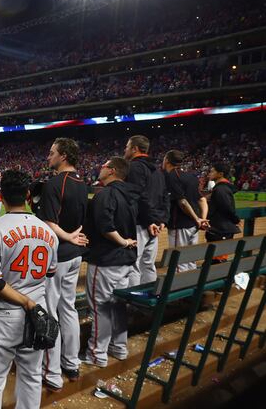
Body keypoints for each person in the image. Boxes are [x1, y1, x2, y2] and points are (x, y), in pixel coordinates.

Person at [0, 170, 58, 409]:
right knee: (32, 376)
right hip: (37, 316)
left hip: (3, 315)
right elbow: (49, 273)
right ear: (28, 195)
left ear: (0, 197)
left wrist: (24, 302)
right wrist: (30, 301)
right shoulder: (48, 232)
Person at [37, 138, 89, 391]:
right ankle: (72, 364)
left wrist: (66, 236)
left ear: (64, 156)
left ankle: (52, 372)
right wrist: (73, 237)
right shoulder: (83, 183)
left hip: (57, 255)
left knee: (50, 312)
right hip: (75, 254)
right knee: (68, 309)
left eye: (52, 153)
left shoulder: (55, 183)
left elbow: (48, 222)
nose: (48, 157)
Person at [81, 157, 139, 368]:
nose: (100, 168)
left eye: (104, 166)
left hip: (107, 259)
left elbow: (106, 227)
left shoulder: (105, 193)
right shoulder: (131, 194)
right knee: (117, 307)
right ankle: (119, 348)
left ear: (112, 171)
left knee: (100, 309)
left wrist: (122, 242)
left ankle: (97, 354)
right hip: (125, 261)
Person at [123, 135, 169, 286]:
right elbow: (164, 197)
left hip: (140, 223)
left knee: (133, 265)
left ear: (135, 149)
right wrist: (161, 220)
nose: (125, 149)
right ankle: (148, 300)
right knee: (148, 264)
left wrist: (150, 221)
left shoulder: (134, 167)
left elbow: (139, 196)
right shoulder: (157, 170)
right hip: (153, 224)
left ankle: (134, 303)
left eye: (128, 146)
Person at [162, 150, 209, 272]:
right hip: (194, 226)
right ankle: (190, 288)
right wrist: (202, 218)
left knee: (178, 261)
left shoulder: (171, 176)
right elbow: (202, 200)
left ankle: (180, 289)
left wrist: (197, 218)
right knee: (190, 259)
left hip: (181, 225)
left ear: (167, 160)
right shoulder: (191, 176)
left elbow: (182, 202)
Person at [206, 162, 241, 244]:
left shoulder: (221, 189)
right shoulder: (222, 188)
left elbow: (227, 208)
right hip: (221, 228)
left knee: (217, 255)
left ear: (220, 174)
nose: (209, 174)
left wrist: (236, 220)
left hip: (221, 229)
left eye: (212, 171)